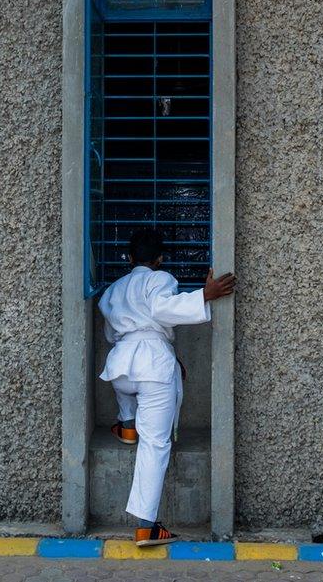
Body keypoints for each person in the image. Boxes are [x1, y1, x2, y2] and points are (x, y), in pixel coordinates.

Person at [98, 229, 236, 546]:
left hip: (120, 366)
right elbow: (162, 310)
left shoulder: (113, 289)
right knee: (155, 444)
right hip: (153, 368)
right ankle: (147, 527)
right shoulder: (159, 279)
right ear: (159, 259)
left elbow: (111, 332)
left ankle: (127, 424)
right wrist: (204, 296)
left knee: (127, 392)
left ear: (130, 258)